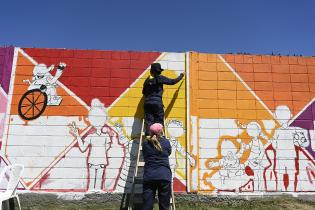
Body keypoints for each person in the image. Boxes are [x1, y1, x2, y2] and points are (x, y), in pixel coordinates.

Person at [142, 63, 184, 135]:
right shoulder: (159, 78)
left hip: (147, 103)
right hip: (157, 102)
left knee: (149, 121)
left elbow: (143, 92)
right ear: (158, 71)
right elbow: (172, 82)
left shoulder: (147, 80)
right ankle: (159, 137)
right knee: (158, 121)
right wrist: (181, 76)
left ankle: (149, 138)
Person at [142, 123, 172, 210]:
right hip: (164, 175)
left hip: (149, 175)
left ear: (150, 132)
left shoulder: (145, 143)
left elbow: (145, 155)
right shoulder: (166, 142)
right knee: (164, 205)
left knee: (147, 205)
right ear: (161, 131)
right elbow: (168, 153)